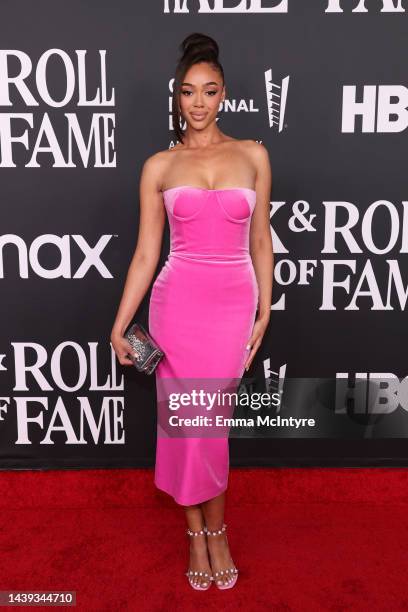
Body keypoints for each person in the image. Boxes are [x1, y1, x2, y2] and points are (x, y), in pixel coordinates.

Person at [111, 32, 273, 591]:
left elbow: (261, 245)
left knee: (211, 426)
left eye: (209, 91)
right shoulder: (159, 166)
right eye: (188, 92)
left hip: (231, 308)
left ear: (224, 94)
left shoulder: (253, 154)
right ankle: (196, 536)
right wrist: (118, 323)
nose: (198, 102)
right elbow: (145, 254)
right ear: (177, 98)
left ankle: (218, 531)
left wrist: (265, 311)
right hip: (175, 307)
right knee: (184, 428)